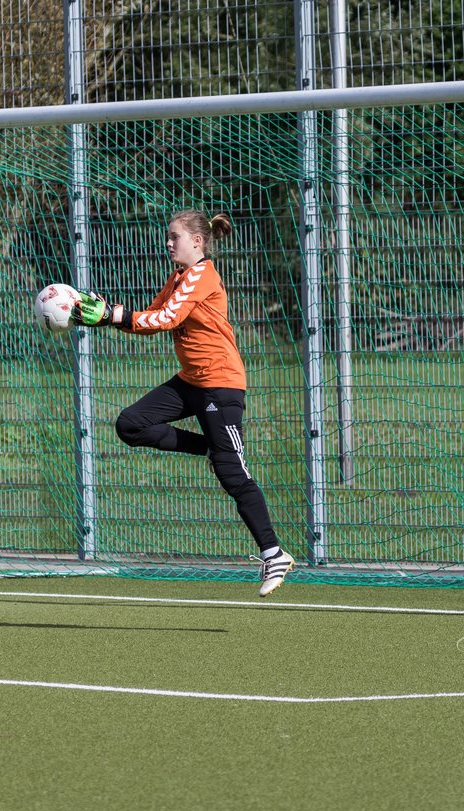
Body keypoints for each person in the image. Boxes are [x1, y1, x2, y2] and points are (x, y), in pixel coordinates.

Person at [69, 210, 295, 597]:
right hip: (192, 382)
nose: (169, 243)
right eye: (168, 237)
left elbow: (168, 319)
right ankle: (214, 446)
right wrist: (109, 315)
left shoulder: (203, 275)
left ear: (198, 242)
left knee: (232, 474)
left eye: (175, 237)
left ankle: (274, 553)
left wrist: (110, 316)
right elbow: (153, 315)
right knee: (131, 424)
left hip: (220, 385)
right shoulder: (178, 277)